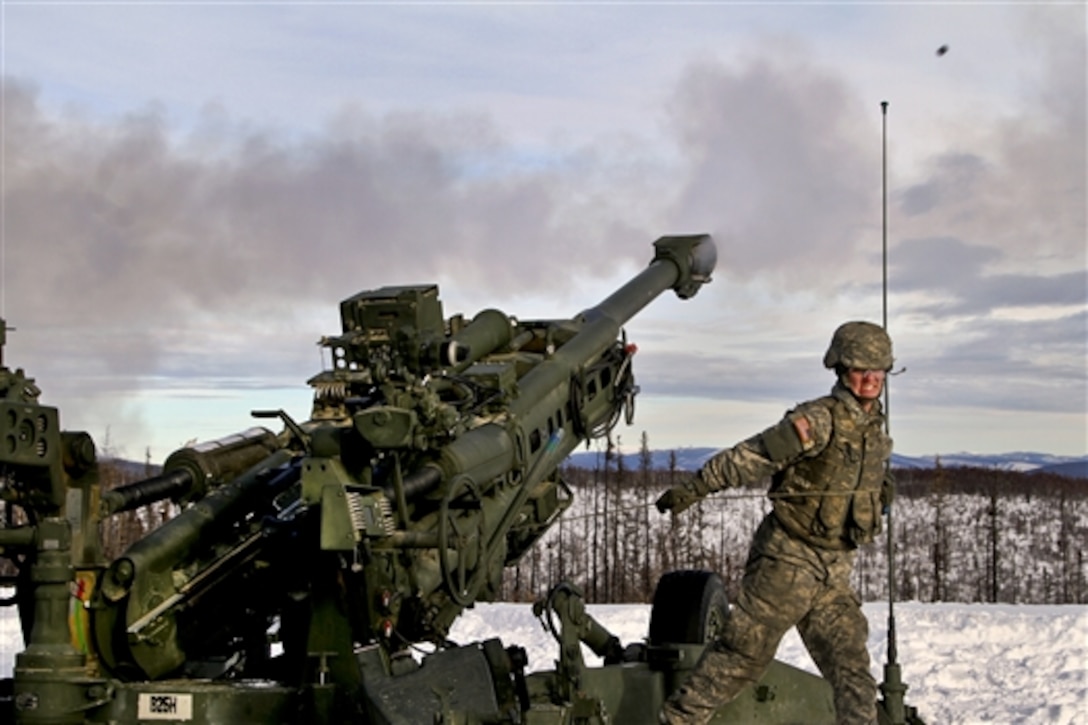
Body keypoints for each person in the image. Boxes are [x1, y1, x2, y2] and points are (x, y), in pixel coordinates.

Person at [655, 321, 895, 725]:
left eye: (879, 370)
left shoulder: (874, 429)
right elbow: (753, 456)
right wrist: (697, 486)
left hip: (833, 572)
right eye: (860, 369)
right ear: (841, 369)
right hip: (787, 562)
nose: (870, 379)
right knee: (740, 656)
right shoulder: (818, 420)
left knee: (853, 674)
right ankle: (678, 721)